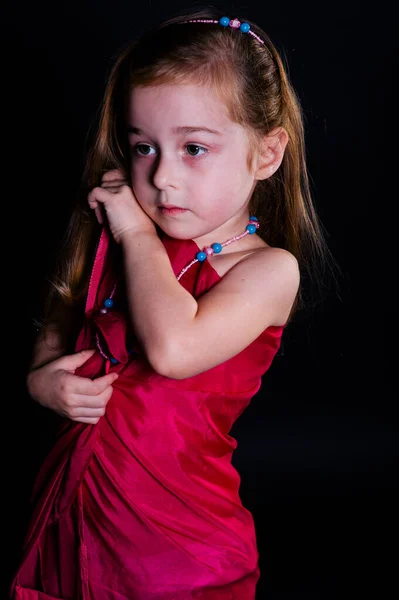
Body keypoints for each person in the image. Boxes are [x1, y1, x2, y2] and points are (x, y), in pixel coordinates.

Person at [10, 6, 335, 599]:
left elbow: (173, 348)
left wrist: (134, 233)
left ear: (265, 154)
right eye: (142, 147)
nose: (162, 178)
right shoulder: (128, 235)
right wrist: (41, 380)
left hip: (175, 544)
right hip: (76, 513)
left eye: (194, 149)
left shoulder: (265, 271)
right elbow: (65, 311)